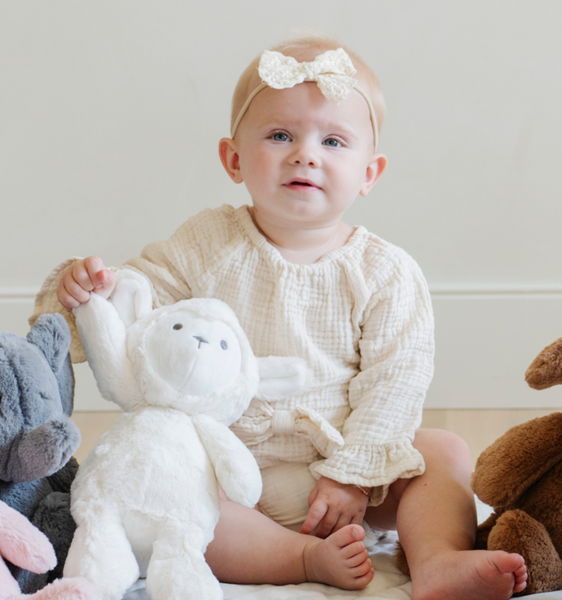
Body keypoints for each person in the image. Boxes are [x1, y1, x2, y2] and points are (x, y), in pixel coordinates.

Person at [32, 33, 528, 600]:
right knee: (172, 497)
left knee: (443, 452)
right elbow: (139, 306)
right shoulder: (209, 241)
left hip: (351, 472)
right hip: (233, 474)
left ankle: (438, 560)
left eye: (334, 140)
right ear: (234, 158)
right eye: (280, 135)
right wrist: (87, 294)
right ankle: (303, 559)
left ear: (370, 172)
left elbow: (397, 379)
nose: (306, 154)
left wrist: (351, 472)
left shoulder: (385, 270)